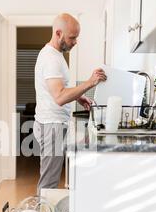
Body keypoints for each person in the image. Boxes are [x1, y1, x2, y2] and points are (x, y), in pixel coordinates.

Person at [33, 13, 107, 194]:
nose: (75, 42)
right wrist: (89, 83)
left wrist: (79, 97)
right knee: (48, 183)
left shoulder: (55, 55)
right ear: (58, 33)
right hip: (51, 125)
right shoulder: (51, 59)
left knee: (50, 179)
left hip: (52, 123)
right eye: (72, 37)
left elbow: (58, 89)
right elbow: (59, 97)